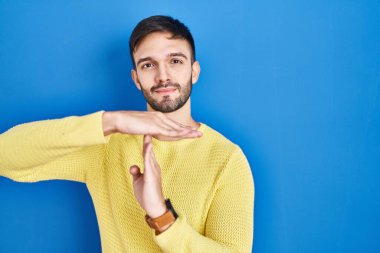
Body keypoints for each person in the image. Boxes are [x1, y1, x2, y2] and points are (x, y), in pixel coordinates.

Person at [0, 15, 254, 252]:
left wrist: (161, 216)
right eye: (148, 65)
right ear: (136, 79)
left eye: (175, 61)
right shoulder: (107, 145)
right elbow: (4, 155)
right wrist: (110, 121)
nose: (163, 76)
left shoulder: (227, 159)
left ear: (194, 71)